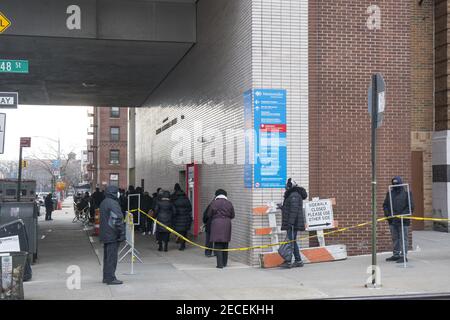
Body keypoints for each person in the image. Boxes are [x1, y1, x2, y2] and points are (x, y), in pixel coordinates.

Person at [383, 176, 414, 263]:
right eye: (394, 183)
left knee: (403, 238)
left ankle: (403, 256)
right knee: (395, 238)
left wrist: (401, 216)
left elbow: (410, 207)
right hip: (392, 220)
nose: (395, 184)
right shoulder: (390, 193)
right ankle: (396, 254)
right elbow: (385, 205)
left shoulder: (407, 193)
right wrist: (388, 215)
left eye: (397, 183)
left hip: (403, 221)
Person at [99, 185, 125, 285]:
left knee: (107, 257)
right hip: (112, 234)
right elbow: (117, 219)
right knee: (112, 258)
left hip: (105, 234)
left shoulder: (104, 202)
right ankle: (111, 278)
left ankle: (106, 277)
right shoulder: (113, 203)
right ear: (114, 193)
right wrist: (122, 232)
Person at [280, 178, 308, 268]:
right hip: (293, 223)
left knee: (291, 242)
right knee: (292, 241)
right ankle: (298, 260)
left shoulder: (294, 195)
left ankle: (289, 261)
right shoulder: (293, 195)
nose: (286, 188)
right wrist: (283, 207)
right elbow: (291, 208)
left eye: (287, 186)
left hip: (292, 224)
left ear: (291, 186)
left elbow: (294, 211)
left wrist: (290, 223)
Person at [207, 189, 235, 268]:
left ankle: (219, 264)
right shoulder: (229, 203)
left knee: (218, 244)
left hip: (216, 224)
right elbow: (233, 215)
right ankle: (224, 263)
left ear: (216, 195)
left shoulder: (214, 203)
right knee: (225, 244)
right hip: (227, 224)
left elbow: (209, 214)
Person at [172, 184, 192, 251]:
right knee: (184, 231)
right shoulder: (186, 199)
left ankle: (179, 239)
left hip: (178, 218)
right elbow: (190, 208)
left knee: (178, 230)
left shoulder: (174, 199)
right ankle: (182, 244)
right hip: (186, 217)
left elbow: (173, 210)